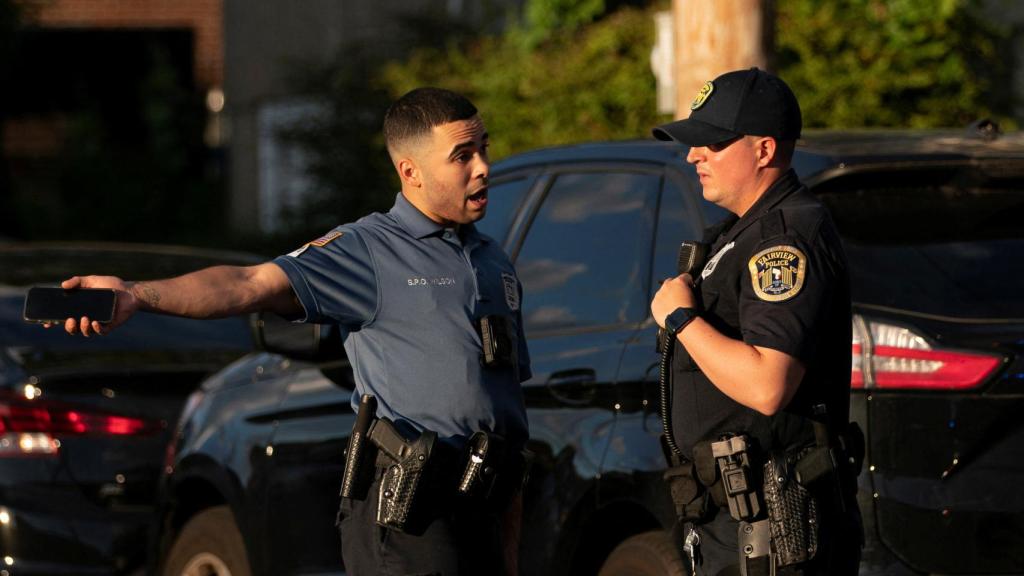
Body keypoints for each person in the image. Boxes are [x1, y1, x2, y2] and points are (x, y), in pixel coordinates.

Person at [54, 87, 530, 576]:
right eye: (462, 156)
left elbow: (507, 414)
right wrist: (135, 293)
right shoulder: (367, 250)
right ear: (411, 172)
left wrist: (509, 553)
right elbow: (249, 283)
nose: (483, 168)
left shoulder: (493, 261)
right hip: (411, 516)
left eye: (483, 149)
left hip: (485, 507)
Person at [649, 68, 862, 576]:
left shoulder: (783, 239)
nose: (693, 155)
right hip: (736, 525)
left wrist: (682, 318)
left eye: (713, 143)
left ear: (764, 150)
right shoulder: (740, 233)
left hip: (774, 529)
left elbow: (768, 384)